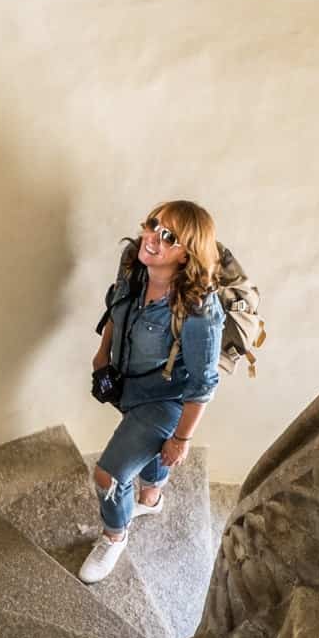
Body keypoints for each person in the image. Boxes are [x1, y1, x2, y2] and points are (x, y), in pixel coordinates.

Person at [80, 200, 224, 584]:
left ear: (186, 254)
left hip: (166, 401)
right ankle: (151, 499)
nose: (153, 239)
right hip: (127, 386)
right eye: (154, 225)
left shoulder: (199, 310)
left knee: (107, 477)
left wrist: (181, 439)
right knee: (142, 443)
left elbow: (203, 383)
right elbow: (116, 305)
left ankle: (115, 535)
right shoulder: (134, 263)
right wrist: (102, 355)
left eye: (169, 237)